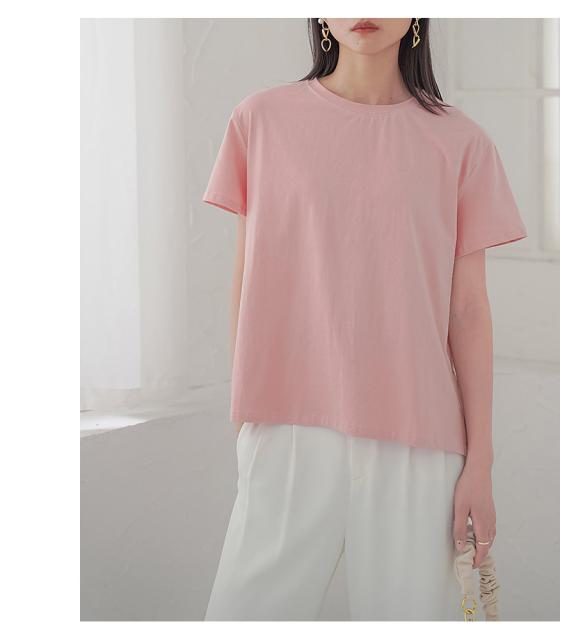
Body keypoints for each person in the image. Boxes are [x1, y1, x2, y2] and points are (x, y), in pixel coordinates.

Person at [202, 18, 527, 621]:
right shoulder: (260, 121)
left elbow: (467, 309)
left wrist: (479, 463)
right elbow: (247, 277)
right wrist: (245, 416)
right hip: (287, 426)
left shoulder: (461, 143)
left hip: (420, 439)